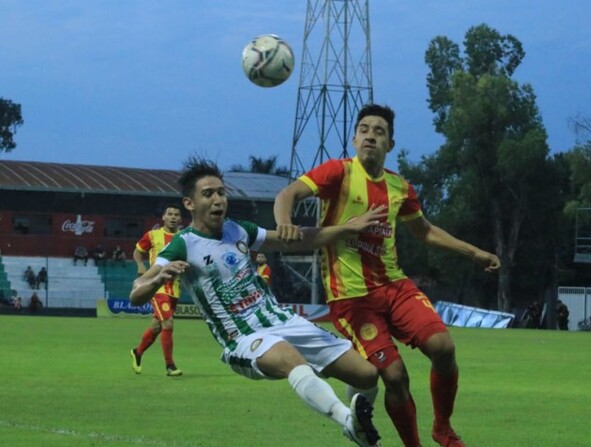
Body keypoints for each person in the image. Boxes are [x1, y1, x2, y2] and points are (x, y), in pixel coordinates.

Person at [274, 103, 501, 447]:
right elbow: (287, 193)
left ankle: (443, 428)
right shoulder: (338, 173)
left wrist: (474, 252)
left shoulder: (399, 187)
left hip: (395, 286)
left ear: (390, 144)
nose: (370, 136)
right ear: (354, 139)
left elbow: (424, 231)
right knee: (395, 376)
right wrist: (285, 222)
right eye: (364, 129)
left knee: (443, 347)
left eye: (379, 131)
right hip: (352, 299)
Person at [130, 157, 388, 446]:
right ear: (189, 204)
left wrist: (346, 228)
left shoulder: (237, 230)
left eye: (221, 192)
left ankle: (362, 427)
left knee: (367, 375)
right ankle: (347, 421)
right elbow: (137, 292)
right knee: (291, 358)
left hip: (282, 320)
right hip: (243, 337)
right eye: (208, 194)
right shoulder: (182, 244)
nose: (218, 200)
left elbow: (299, 239)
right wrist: (156, 279)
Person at [130, 203, 184, 377]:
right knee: (168, 324)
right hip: (157, 286)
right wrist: (141, 265)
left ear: (180, 219)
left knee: (156, 327)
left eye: (176, 214)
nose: (173, 217)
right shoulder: (153, 235)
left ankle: (137, 352)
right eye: (170, 214)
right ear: (163, 217)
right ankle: (170, 366)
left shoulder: (184, 238)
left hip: (174, 288)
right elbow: (137, 252)